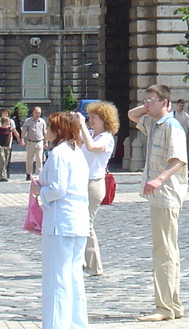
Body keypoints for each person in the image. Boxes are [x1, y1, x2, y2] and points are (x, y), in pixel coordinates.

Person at [128, 84, 188, 322]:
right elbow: (132, 115)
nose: (146, 105)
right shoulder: (153, 123)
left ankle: (164, 307)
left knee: (163, 252)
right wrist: (146, 106)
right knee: (168, 250)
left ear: (165, 103)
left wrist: (159, 179)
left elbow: (179, 160)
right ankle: (173, 305)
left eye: (151, 100)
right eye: (145, 100)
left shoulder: (172, 126)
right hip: (158, 196)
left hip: (166, 195)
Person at [34, 111, 90, 329]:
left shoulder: (58, 154)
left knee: (57, 277)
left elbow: (58, 189)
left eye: (49, 127)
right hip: (78, 220)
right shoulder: (78, 153)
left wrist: (39, 190)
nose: (46, 131)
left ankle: (56, 325)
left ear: (58, 131)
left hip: (61, 221)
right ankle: (76, 323)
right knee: (75, 277)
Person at [78, 100, 118, 277]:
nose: (90, 120)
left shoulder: (106, 138)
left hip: (94, 183)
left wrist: (82, 127)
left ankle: (94, 266)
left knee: (86, 224)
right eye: (90, 117)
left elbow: (92, 148)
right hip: (82, 181)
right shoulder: (92, 133)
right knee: (79, 223)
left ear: (104, 119)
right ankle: (83, 262)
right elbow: (77, 144)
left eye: (94, 117)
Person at [0, 109, 17, 182]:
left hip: (7, 146)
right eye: (8, 122)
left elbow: (11, 136)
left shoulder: (8, 129)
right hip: (0, 146)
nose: (9, 123)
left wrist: (10, 144)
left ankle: (3, 176)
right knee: (2, 161)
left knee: (6, 161)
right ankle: (2, 176)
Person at [23, 105, 47, 180]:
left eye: (39, 113)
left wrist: (46, 142)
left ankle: (39, 174)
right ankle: (28, 173)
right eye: (36, 113)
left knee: (40, 159)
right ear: (33, 113)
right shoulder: (28, 121)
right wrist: (22, 139)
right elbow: (24, 131)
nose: (38, 114)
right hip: (31, 142)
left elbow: (45, 132)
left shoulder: (42, 121)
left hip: (40, 142)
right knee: (29, 159)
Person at [172, 99, 189, 169]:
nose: (181, 107)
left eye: (182, 106)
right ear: (177, 106)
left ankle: (181, 165)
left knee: (181, 151)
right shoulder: (173, 115)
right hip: (173, 136)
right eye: (180, 106)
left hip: (182, 137)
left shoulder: (185, 115)